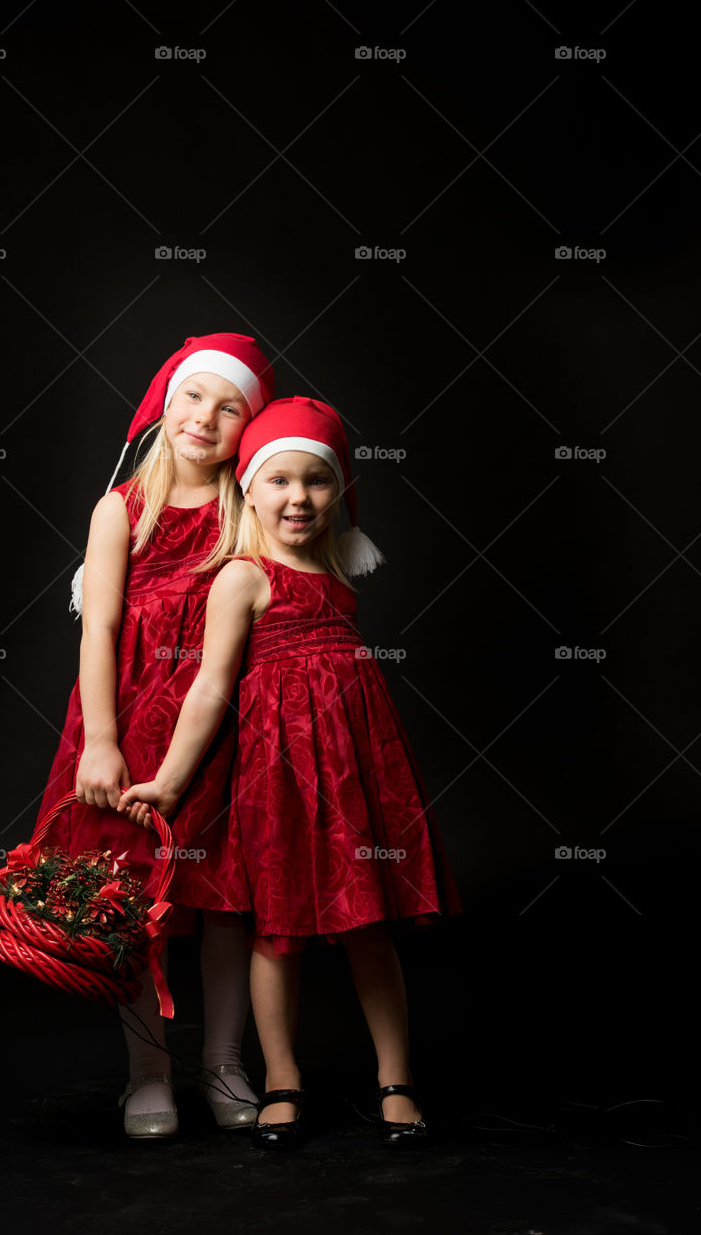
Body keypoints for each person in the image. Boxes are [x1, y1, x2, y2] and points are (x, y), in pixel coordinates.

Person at [117, 395, 463, 1150]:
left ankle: (395, 1079)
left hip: (352, 772)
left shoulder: (337, 572)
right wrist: (171, 781)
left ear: (338, 492)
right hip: (277, 780)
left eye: (315, 481)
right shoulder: (240, 577)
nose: (297, 497)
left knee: (369, 926)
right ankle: (280, 1078)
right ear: (247, 488)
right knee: (275, 932)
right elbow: (210, 687)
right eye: (278, 481)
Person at [33, 332, 276, 1139]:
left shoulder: (249, 511)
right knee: (135, 901)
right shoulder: (121, 511)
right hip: (127, 726)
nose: (204, 417)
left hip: (221, 732)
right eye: (192, 395)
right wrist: (100, 740)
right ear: (164, 403)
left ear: (250, 424)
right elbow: (96, 630)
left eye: (229, 405)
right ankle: (148, 1071)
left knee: (224, 905)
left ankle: (222, 1061)